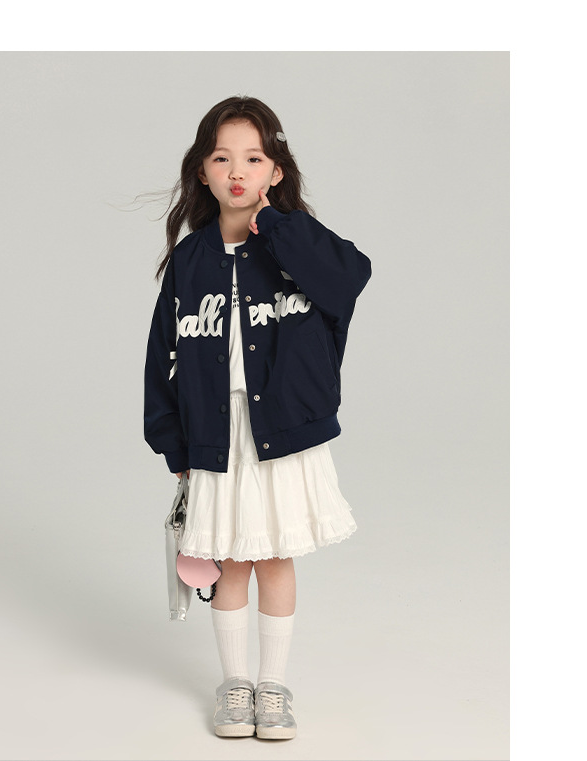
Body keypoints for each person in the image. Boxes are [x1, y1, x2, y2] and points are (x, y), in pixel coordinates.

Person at [143, 95, 372, 740]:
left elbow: (349, 279)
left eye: (253, 158)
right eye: (222, 159)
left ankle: (272, 687)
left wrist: (276, 224)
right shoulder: (190, 259)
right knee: (229, 560)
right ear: (203, 171)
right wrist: (174, 443)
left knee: (273, 557)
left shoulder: (297, 245)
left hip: (285, 433)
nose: (237, 171)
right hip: (215, 436)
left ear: (276, 170)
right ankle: (235, 684)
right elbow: (161, 355)